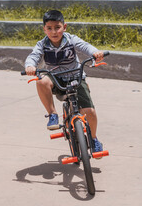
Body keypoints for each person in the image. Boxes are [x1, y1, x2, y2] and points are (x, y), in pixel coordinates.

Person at [24, 10, 105, 153]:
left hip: (75, 77)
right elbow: (33, 56)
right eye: (49, 28)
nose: (54, 32)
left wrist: (95, 53)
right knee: (41, 81)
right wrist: (30, 66)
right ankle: (52, 114)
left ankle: (93, 139)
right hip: (55, 79)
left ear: (64, 27)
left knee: (89, 111)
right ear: (44, 29)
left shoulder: (71, 39)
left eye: (57, 27)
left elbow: (85, 46)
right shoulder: (42, 44)